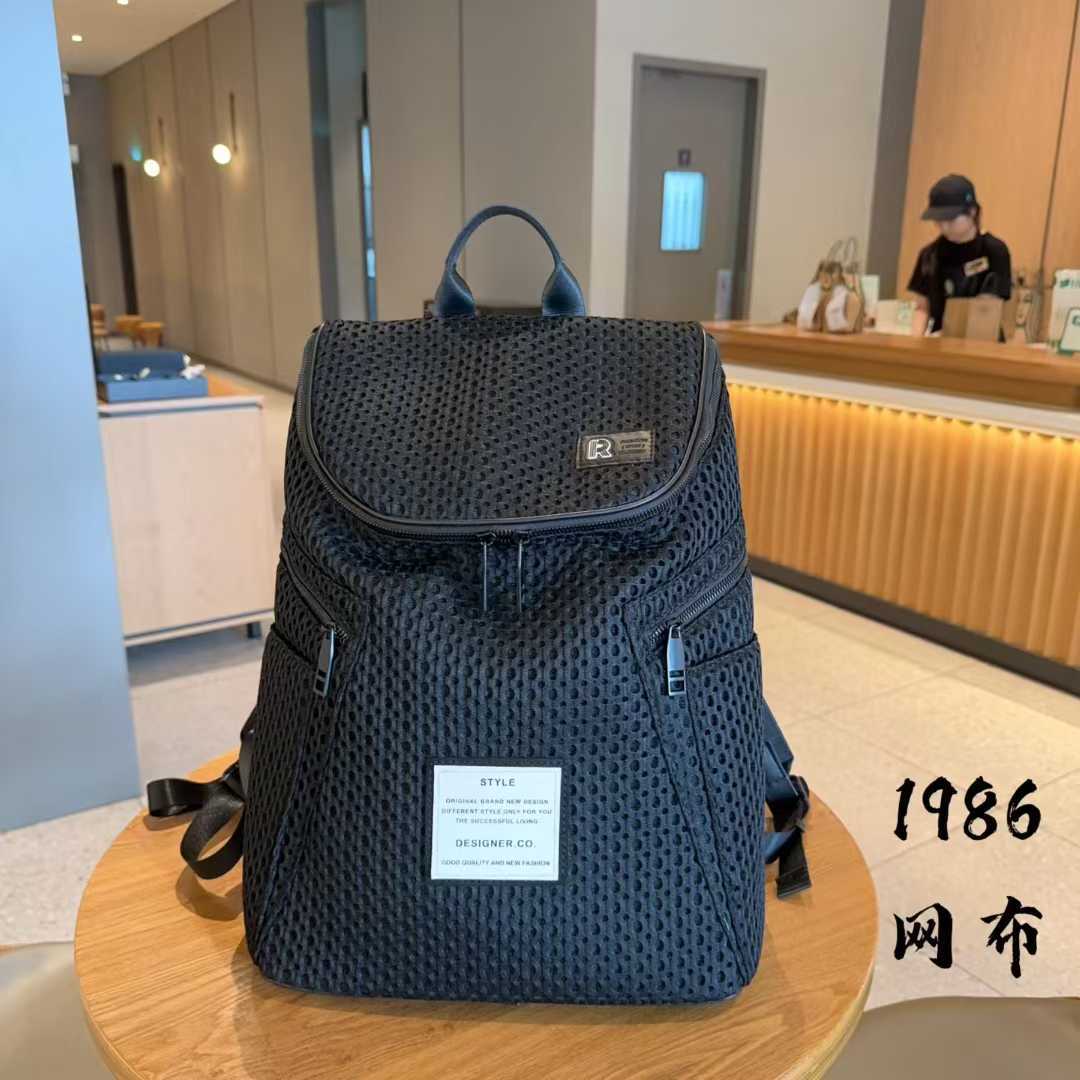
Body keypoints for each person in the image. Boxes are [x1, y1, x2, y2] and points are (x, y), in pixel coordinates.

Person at [907, 174, 1011, 337]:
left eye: (951, 220)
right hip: (938, 342)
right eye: (938, 221)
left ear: (972, 212)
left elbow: (986, 307)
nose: (944, 227)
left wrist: (948, 334)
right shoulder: (929, 255)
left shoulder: (994, 251)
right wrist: (915, 342)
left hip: (983, 341)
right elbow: (922, 308)